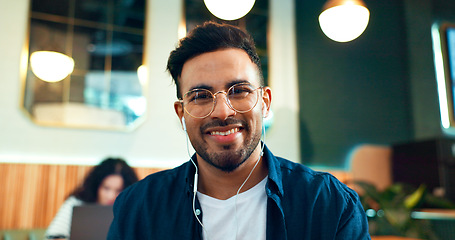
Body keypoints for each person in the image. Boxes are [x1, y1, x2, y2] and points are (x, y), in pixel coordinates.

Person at [107, 21, 370, 240]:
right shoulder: (139, 208)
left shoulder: (328, 204)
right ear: (181, 113)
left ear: (264, 102)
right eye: (200, 95)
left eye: (240, 91)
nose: (222, 111)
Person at [45, 157, 138, 239]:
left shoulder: (131, 210)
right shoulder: (77, 203)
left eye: (118, 190)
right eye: (106, 188)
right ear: (96, 186)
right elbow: (53, 236)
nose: (111, 196)